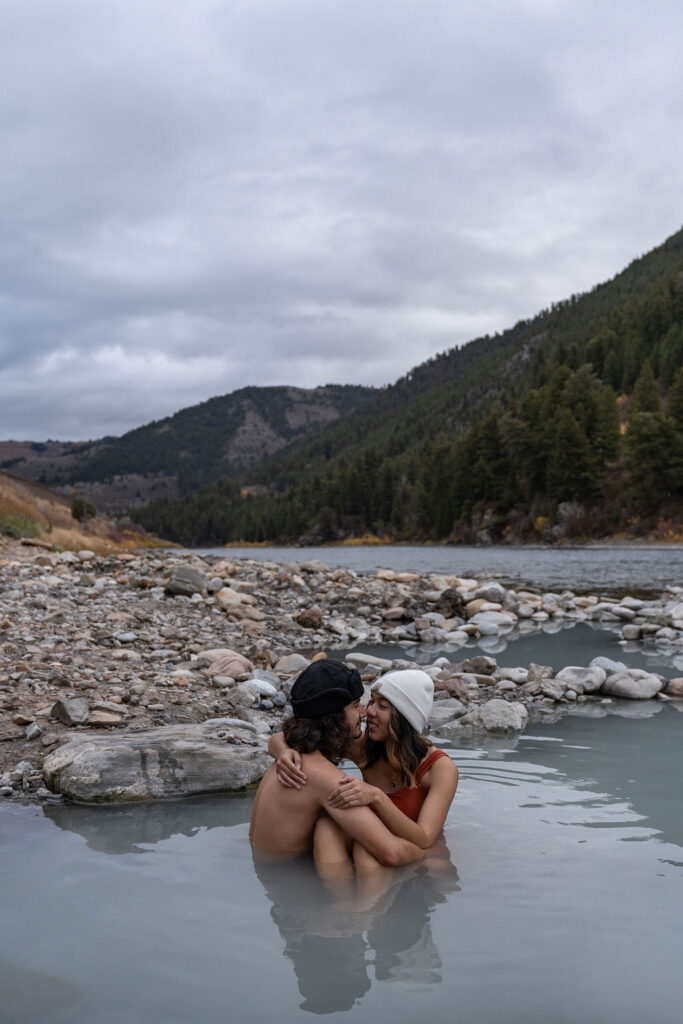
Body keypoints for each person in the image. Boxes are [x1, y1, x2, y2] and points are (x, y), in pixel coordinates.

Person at [270, 668, 459, 873]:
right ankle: (340, 902)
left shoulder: (440, 768)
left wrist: (377, 797)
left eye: (382, 706)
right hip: (380, 844)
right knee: (328, 828)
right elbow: (295, 734)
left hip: (415, 856)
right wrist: (282, 751)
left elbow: (425, 839)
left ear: (403, 719)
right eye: (372, 701)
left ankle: (372, 903)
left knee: (365, 853)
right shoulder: (366, 748)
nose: (368, 711)